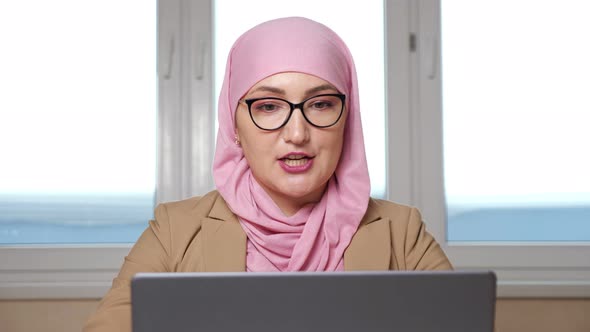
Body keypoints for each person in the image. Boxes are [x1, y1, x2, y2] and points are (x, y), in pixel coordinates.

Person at [83, 16, 452, 332]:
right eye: (269, 106)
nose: (296, 133)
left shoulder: (402, 233)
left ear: (348, 119)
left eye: (321, 104)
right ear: (234, 124)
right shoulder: (174, 232)